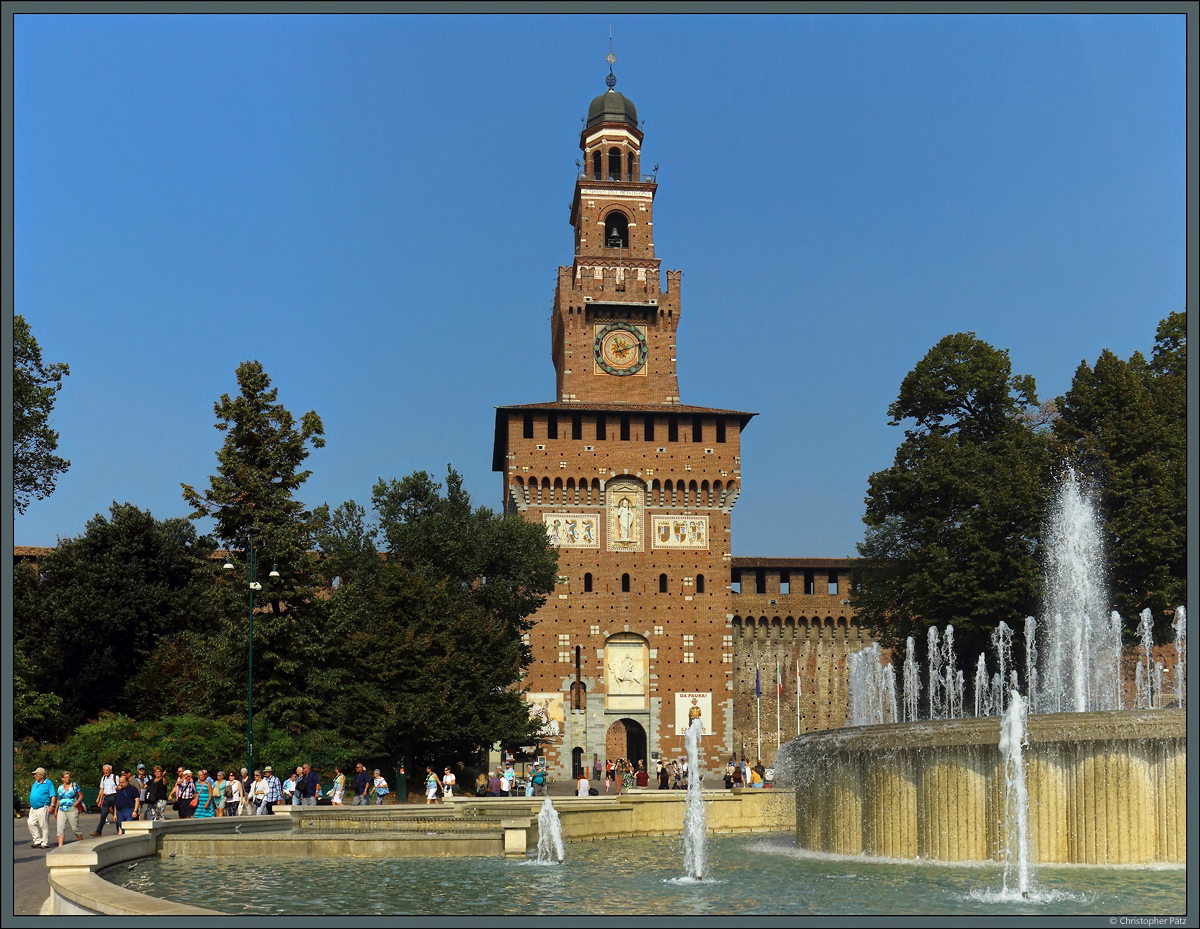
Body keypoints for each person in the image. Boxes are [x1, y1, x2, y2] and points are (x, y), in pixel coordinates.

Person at [28, 767, 55, 848]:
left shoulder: (48, 783)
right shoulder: (35, 783)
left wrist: (52, 805)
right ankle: (37, 840)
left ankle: (45, 842)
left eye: (36, 774)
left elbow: (52, 795)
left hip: (43, 807)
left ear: (41, 775)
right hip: (33, 807)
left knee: (44, 826)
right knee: (30, 823)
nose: (34, 776)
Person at [89, 764, 119, 836]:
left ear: (110, 771)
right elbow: (102, 789)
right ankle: (98, 832)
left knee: (117, 814)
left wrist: (117, 788)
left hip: (114, 796)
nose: (105, 772)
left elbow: (119, 786)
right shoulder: (103, 778)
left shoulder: (115, 777)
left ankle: (119, 830)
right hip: (106, 797)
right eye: (104, 770)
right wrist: (99, 798)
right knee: (103, 815)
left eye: (107, 770)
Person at [55, 771, 84, 846]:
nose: (67, 779)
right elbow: (58, 799)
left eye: (68, 777)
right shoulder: (60, 787)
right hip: (61, 809)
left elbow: (80, 795)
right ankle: (60, 846)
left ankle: (82, 843)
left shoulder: (74, 785)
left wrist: (76, 803)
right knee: (60, 829)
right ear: (62, 778)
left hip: (71, 809)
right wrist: (56, 810)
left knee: (75, 829)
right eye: (66, 777)